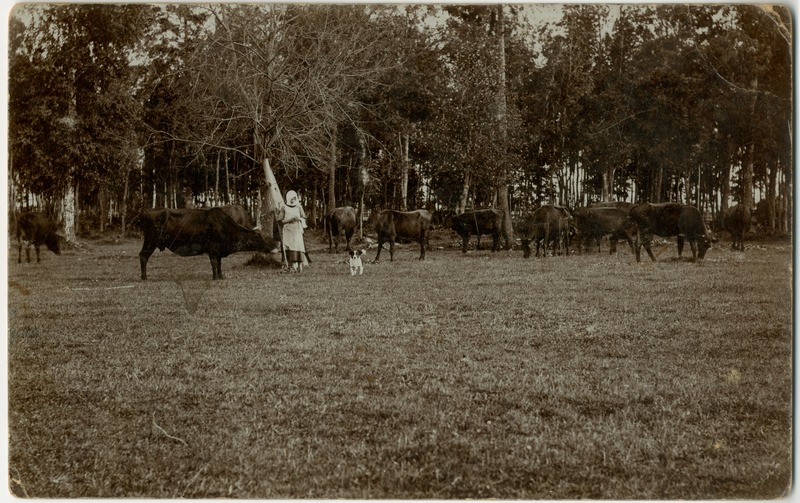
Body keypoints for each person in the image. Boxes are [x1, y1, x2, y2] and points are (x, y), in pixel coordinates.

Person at [277, 190, 308, 273]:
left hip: (297, 230)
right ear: (288, 198)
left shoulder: (299, 207)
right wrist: (290, 219)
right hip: (288, 230)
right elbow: (280, 221)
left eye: (294, 198)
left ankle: (299, 266)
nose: (293, 200)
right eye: (291, 198)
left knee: (297, 246)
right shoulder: (284, 207)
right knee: (289, 247)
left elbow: (304, 217)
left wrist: (299, 219)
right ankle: (289, 265)